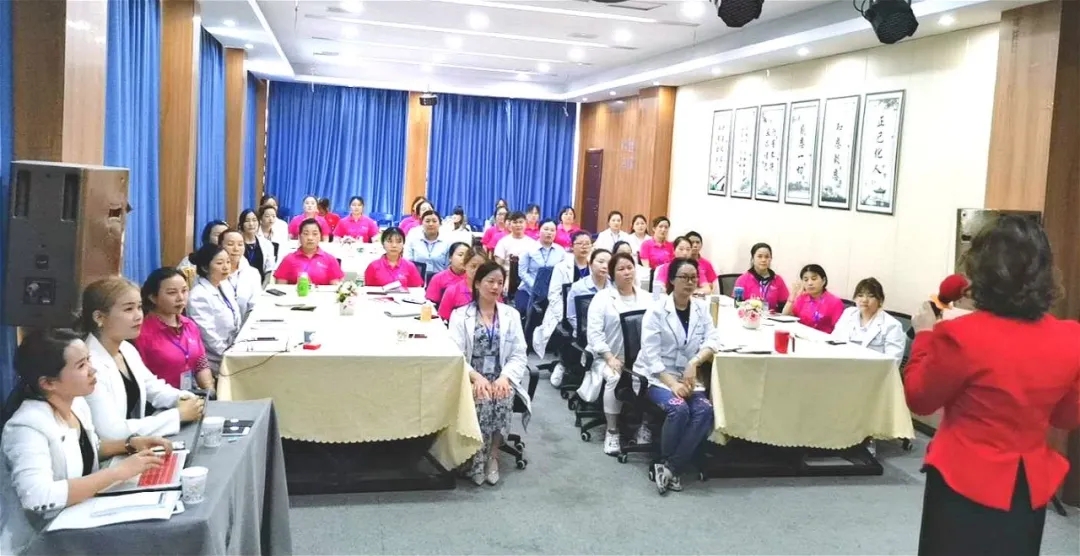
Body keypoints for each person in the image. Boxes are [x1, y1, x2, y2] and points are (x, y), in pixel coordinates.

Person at [904, 216, 1080, 556]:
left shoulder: (961, 335)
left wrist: (924, 334)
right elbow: (1066, 417)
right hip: (1026, 483)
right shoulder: (1072, 337)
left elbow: (919, 398)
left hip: (961, 478)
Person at [0, 329, 171, 555]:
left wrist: (130, 444)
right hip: (39, 543)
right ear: (48, 383)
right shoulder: (26, 427)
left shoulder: (77, 404)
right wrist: (117, 472)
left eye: (89, 359)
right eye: (81, 365)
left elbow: (86, 450)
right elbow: (37, 496)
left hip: (80, 524)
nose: (93, 369)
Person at [79, 277, 204, 440]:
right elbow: (111, 432)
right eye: (128, 309)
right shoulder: (89, 364)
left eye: (139, 307)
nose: (138, 316)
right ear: (99, 317)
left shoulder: (126, 348)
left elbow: (153, 387)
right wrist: (178, 415)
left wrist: (183, 398)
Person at [635, 257, 719, 495]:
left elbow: (713, 339)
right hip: (657, 376)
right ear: (672, 280)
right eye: (684, 277)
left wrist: (695, 362)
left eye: (694, 278)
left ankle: (670, 466)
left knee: (705, 410)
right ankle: (670, 464)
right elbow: (651, 356)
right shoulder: (657, 310)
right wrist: (673, 384)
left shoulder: (701, 308)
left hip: (688, 375)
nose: (690, 282)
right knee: (678, 408)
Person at [448, 262, 531, 486]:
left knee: (503, 396)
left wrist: (505, 377)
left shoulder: (511, 315)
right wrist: (475, 377)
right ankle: (477, 459)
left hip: (501, 375)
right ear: (477, 283)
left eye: (500, 283)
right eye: (490, 281)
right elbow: (456, 354)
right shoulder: (460, 315)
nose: (495, 287)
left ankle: (493, 456)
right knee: (482, 397)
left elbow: (519, 353)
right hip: (471, 376)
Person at [583, 252, 652, 455]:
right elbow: (594, 334)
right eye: (621, 269)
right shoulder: (602, 298)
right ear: (612, 274)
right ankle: (612, 431)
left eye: (630, 267)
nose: (627, 272)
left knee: (656, 377)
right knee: (614, 377)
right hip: (609, 356)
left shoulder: (647, 298)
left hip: (640, 357)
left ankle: (645, 425)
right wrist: (609, 357)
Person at [135, 268, 215, 393]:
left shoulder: (190, 325)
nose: (180, 298)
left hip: (190, 395)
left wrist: (209, 391)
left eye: (184, 290)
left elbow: (200, 362)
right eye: (172, 293)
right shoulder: (142, 334)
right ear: (153, 297)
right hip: (159, 399)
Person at [533, 231, 593, 381]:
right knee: (571, 329)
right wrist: (564, 315)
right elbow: (553, 295)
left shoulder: (594, 266)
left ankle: (587, 368)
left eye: (587, 244)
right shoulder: (561, 267)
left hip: (589, 312)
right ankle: (564, 363)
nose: (584, 247)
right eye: (580, 243)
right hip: (563, 311)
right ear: (572, 246)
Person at [187, 243, 242, 374]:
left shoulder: (225, 285)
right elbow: (208, 336)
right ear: (205, 267)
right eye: (219, 263)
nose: (226, 267)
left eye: (228, 262)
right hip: (215, 360)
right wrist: (228, 354)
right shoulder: (198, 296)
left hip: (233, 349)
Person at [831, 277, 907, 365]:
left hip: (872, 369)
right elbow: (834, 339)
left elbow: (893, 362)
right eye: (860, 295)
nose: (864, 300)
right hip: (841, 364)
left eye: (871, 296)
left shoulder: (892, 325)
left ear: (880, 300)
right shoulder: (848, 313)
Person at [274, 219, 345, 286]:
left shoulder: (330, 259)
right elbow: (280, 288)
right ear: (299, 237)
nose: (310, 238)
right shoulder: (288, 259)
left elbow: (334, 288)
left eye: (315, 234)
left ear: (320, 236)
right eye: (306, 234)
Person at [515, 219, 565, 314]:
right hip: (529, 290)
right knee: (525, 311)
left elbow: (564, 272)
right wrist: (535, 287)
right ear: (539, 230)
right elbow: (522, 272)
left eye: (552, 230)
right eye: (546, 229)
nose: (549, 233)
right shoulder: (528, 249)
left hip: (552, 292)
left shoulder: (561, 251)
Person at [782, 264, 845, 334]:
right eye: (806, 280)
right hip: (800, 336)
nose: (810, 283)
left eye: (814, 279)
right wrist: (793, 295)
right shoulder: (802, 298)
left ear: (823, 281)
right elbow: (785, 316)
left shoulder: (834, 302)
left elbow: (840, 331)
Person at [733, 242, 789, 312]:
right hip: (749, 316)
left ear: (771, 259)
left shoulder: (778, 280)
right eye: (760, 256)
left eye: (767, 257)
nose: (763, 260)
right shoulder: (742, 280)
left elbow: (784, 305)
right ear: (752, 259)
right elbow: (737, 307)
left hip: (772, 317)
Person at [219, 229, 262, 319]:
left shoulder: (252, 273)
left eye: (240, 244)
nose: (236, 249)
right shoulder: (211, 273)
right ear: (220, 246)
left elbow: (255, 305)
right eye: (230, 244)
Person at [438, 247, 488, 321]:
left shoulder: (491, 290)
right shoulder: (452, 291)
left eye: (481, 267)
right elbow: (442, 320)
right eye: (473, 266)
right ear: (465, 265)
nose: (477, 270)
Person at [567, 249, 611, 330]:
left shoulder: (614, 287)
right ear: (590, 264)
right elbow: (572, 316)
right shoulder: (578, 287)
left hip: (609, 332)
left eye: (609, 263)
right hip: (585, 332)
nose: (605, 266)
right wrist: (588, 332)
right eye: (601, 262)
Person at [404, 209, 450, 275]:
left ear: (440, 224)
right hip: (417, 278)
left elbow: (448, 266)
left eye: (434, 221)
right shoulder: (413, 239)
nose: (431, 224)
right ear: (422, 223)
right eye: (427, 221)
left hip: (440, 278)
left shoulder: (447, 242)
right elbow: (407, 261)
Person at [237, 209, 276, 282]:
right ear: (241, 224)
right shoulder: (236, 243)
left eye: (254, 220)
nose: (251, 224)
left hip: (261, 284)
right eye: (247, 221)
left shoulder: (267, 244)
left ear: (259, 222)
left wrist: (262, 287)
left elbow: (269, 270)